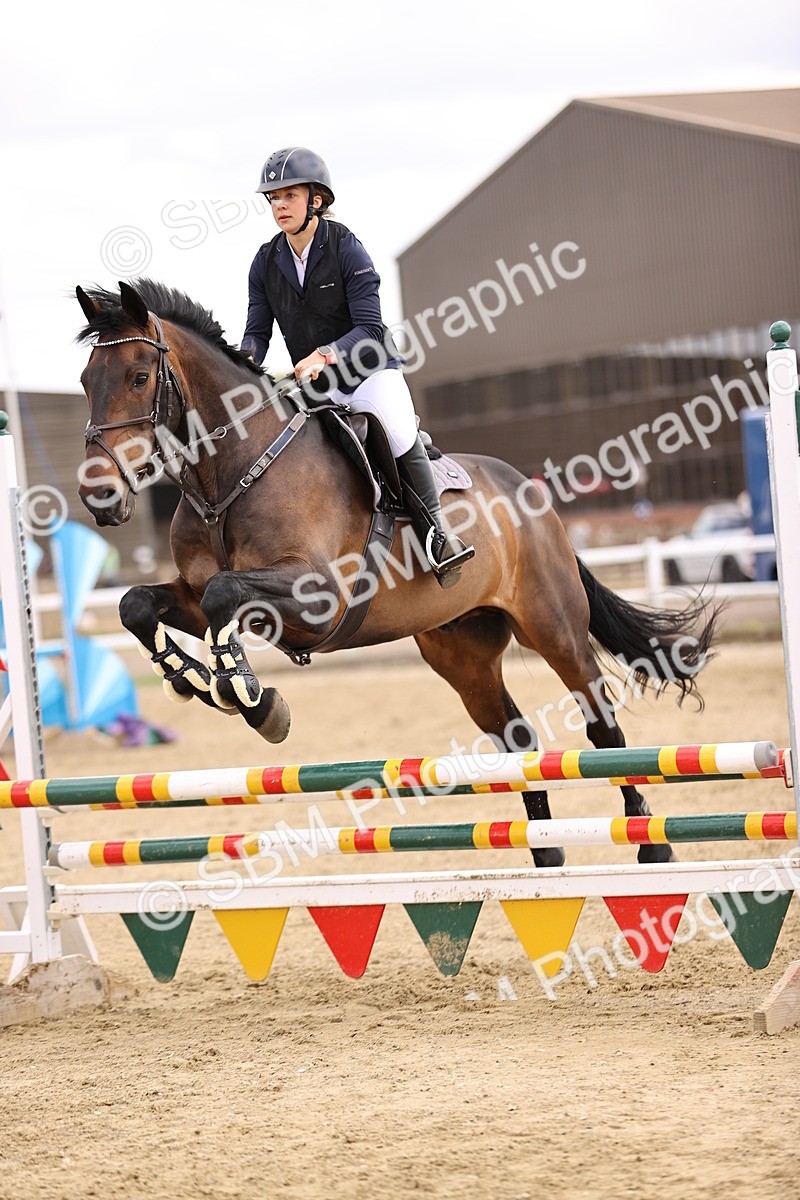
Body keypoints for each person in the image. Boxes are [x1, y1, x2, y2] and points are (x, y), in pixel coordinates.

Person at [240, 146, 474, 586]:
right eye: (272, 198)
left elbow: (369, 327)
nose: (279, 206)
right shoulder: (265, 261)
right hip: (316, 384)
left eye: (288, 195)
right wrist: (242, 363)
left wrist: (325, 354)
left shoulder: (347, 248)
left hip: (368, 371)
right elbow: (257, 333)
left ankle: (438, 536)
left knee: (399, 430)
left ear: (316, 200)